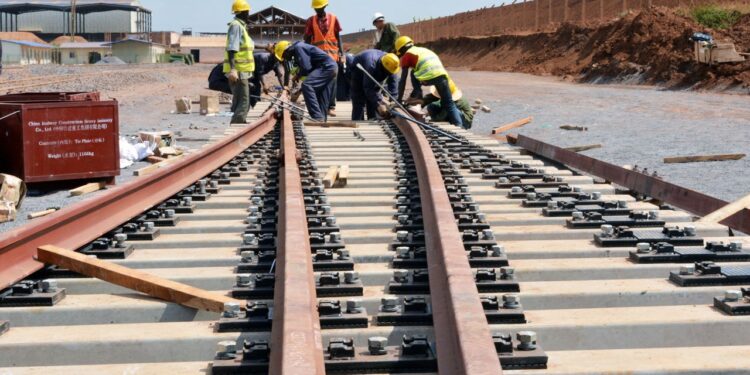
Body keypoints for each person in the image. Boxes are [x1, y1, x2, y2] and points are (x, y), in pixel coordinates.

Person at [395, 36, 463, 127]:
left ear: (402, 49)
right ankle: (459, 126)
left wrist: (398, 100)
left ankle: (418, 94)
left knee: (413, 72)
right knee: (449, 103)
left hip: (428, 76)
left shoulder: (407, 55)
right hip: (443, 77)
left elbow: (403, 80)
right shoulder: (423, 50)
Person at [275, 40, 338, 122]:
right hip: (331, 67)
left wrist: (297, 75)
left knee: (307, 85)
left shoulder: (299, 48)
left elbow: (306, 68)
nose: (286, 58)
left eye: (284, 56)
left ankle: (316, 117)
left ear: (286, 50)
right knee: (322, 93)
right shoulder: (300, 47)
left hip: (325, 67)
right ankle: (321, 119)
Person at [305, 0, 343, 117]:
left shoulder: (333, 18)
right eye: (316, 9)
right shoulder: (311, 21)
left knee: (333, 81)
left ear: (325, 6)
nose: (318, 10)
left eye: (320, 8)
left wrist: (341, 53)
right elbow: (307, 39)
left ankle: (331, 106)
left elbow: (338, 36)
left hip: (332, 56)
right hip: (318, 58)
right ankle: (322, 106)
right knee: (320, 82)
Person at [224, 0, 255, 124]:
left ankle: (239, 123)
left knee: (241, 101)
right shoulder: (236, 25)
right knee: (244, 101)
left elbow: (248, 46)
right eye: (247, 11)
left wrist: (265, 48)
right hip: (238, 71)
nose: (248, 14)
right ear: (244, 12)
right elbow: (232, 48)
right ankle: (237, 126)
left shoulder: (241, 26)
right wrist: (233, 69)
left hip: (242, 71)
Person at [349, 50, 400, 121]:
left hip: (375, 68)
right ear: (383, 66)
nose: (389, 73)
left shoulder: (392, 64)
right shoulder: (371, 65)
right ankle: (358, 120)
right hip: (358, 71)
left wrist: (393, 101)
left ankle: (372, 118)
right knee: (359, 98)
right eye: (387, 72)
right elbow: (368, 88)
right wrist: (378, 104)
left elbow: (393, 83)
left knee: (373, 96)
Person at [409, 83, 474, 129]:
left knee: (453, 110)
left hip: (465, 121)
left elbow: (444, 113)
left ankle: (459, 127)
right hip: (450, 114)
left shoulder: (457, 100)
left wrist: (434, 120)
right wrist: (417, 106)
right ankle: (448, 121)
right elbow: (428, 98)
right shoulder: (442, 94)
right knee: (431, 106)